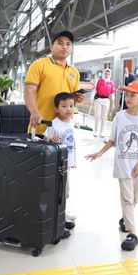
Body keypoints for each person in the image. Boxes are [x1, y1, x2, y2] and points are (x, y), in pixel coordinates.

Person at [24, 30, 84, 235]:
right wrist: (34, 111)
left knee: (61, 178)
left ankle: (58, 213)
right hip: (41, 131)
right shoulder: (40, 65)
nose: (64, 46)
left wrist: (77, 99)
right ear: (51, 46)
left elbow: (71, 96)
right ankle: (37, 215)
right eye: (60, 42)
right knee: (40, 178)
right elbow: (29, 90)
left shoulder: (73, 71)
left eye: (68, 43)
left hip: (62, 134)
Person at [85, 81, 138, 251]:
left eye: (133, 95)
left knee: (135, 198)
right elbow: (112, 140)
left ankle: (125, 219)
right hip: (123, 165)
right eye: (127, 95)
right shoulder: (119, 116)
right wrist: (99, 153)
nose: (128, 98)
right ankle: (133, 233)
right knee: (127, 199)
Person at [44, 92, 78, 223]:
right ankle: (58, 214)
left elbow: (72, 144)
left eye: (71, 106)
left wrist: (73, 161)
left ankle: (62, 212)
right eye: (64, 106)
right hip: (57, 164)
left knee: (65, 190)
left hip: (67, 164)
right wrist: (51, 139)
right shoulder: (54, 124)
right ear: (57, 109)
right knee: (59, 189)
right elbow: (46, 141)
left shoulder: (71, 122)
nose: (68, 109)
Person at [93, 68, 115, 138]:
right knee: (97, 115)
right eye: (106, 73)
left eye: (108, 74)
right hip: (98, 99)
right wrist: (92, 100)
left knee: (104, 117)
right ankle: (96, 131)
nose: (107, 75)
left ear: (110, 75)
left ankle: (102, 132)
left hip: (106, 100)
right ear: (103, 74)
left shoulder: (111, 83)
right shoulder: (99, 81)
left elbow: (112, 94)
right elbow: (95, 91)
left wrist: (113, 103)